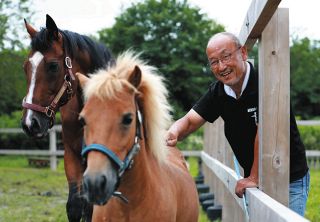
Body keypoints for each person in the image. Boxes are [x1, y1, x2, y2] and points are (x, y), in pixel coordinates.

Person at [166, 32, 310, 216]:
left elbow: (265, 132)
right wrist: (173, 132)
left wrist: (253, 177)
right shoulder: (218, 92)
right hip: (255, 181)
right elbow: (189, 120)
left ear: (243, 53)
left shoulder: (266, 83)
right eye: (214, 62)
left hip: (289, 178)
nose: (222, 66)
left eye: (226, 57)